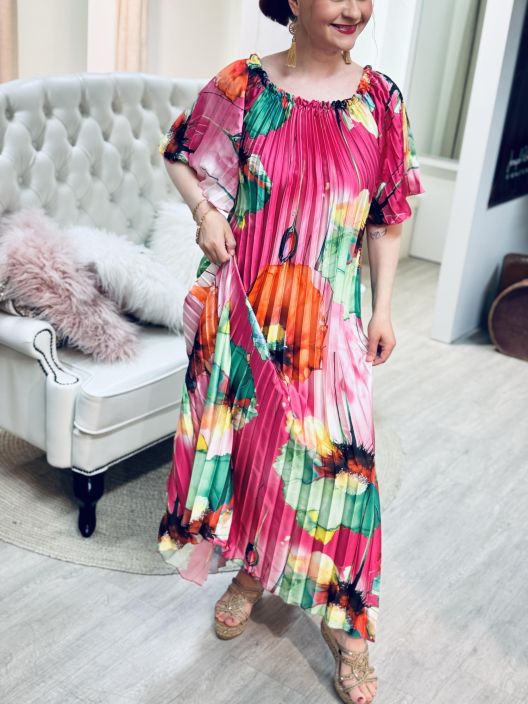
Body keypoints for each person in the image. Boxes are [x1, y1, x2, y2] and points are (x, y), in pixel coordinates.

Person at [157, 1, 425, 702]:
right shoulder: (244, 85)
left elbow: (387, 217)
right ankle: (254, 571)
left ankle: (349, 628)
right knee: (259, 459)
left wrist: (384, 307)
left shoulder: (381, 101)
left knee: (345, 473)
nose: (355, 8)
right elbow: (181, 154)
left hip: (332, 324)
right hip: (249, 314)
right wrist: (206, 212)